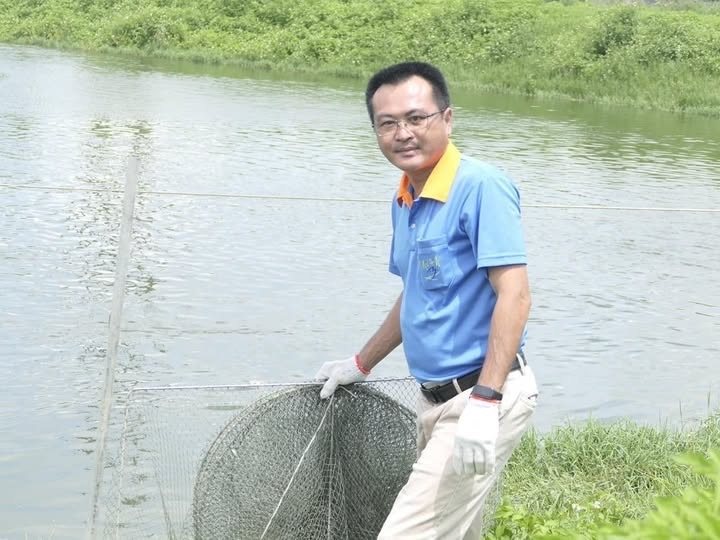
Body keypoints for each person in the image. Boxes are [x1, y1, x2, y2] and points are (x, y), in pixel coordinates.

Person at [314, 61, 539, 539]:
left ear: (447, 118)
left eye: (417, 118)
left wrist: (485, 401)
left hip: (479, 396)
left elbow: (515, 297)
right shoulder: (405, 198)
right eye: (387, 123)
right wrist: (362, 361)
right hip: (433, 400)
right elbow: (416, 294)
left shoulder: (481, 186)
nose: (403, 133)